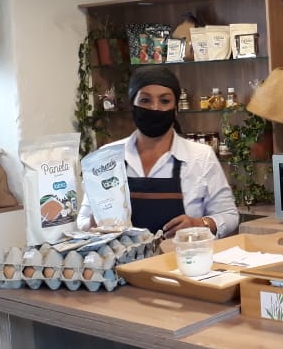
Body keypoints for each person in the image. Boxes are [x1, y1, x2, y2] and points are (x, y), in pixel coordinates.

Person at [77, 67, 239, 237]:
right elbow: (83, 220)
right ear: (132, 104)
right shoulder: (107, 157)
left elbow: (229, 215)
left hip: (181, 253)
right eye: (145, 100)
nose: (155, 108)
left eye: (164, 101)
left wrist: (198, 224)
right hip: (123, 254)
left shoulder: (201, 156)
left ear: (175, 107)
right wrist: (92, 225)